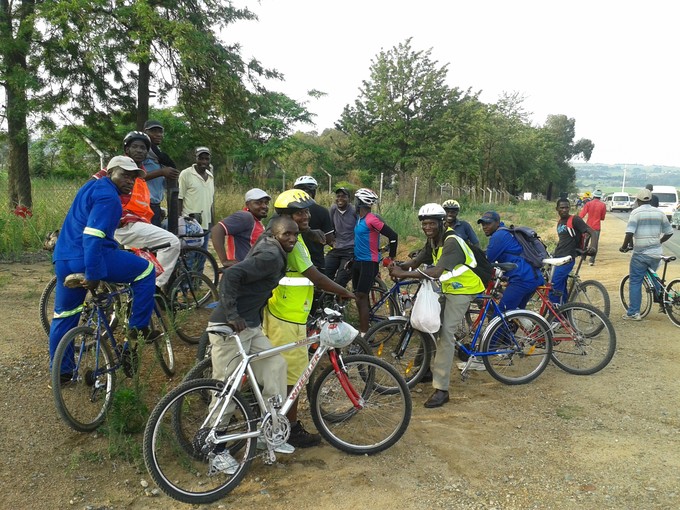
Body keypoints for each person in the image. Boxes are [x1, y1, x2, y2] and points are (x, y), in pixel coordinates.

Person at [49, 156, 157, 381]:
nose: (129, 181)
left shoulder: (90, 187)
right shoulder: (109, 197)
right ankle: (135, 335)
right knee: (146, 270)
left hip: (63, 258)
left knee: (65, 315)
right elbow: (92, 237)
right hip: (89, 256)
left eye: (133, 177)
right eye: (124, 175)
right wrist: (94, 273)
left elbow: (85, 220)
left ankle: (62, 373)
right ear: (110, 173)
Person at [206, 216, 300, 473]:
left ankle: (267, 433)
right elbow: (232, 274)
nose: (291, 239)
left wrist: (311, 232)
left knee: (275, 366)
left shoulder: (269, 240)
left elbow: (281, 228)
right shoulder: (271, 255)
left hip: (251, 327)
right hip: (229, 326)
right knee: (228, 388)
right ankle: (215, 448)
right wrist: (232, 313)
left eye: (295, 234)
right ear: (275, 234)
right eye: (287, 235)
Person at [263, 189, 355, 447]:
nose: (306, 216)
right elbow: (315, 276)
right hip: (286, 316)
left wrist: (310, 233)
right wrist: (343, 291)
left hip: (287, 312)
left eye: (306, 212)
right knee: (292, 377)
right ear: (285, 217)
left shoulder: (289, 235)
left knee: (281, 372)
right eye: (299, 213)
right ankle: (289, 429)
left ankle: (277, 420)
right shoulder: (292, 243)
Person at [389, 203, 485, 408]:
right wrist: (398, 266)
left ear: (442, 222)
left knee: (445, 335)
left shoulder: (452, 242)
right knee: (428, 325)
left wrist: (403, 274)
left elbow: (435, 272)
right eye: (425, 224)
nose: (428, 227)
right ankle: (425, 370)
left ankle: (442, 389)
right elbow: (415, 263)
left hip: (463, 289)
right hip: (448, 288)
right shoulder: (433, 240)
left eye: (432, 223)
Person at [92, 132, 181, 290]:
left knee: (139, 265)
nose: (139, 150)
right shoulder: (118, 168)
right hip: (125, 224)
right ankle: (154, 288)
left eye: (143, 148)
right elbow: (92, 185)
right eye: (135, 147)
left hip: (136, 223)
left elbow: (137, 201)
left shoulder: (139, 172)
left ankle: (130, 292)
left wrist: (158, 210)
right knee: (172, 243)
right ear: (126, 149)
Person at [620, 188, 673, 320]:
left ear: (637, 200)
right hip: (656, 253)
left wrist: (624, 246)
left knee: (635, 281)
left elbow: (629, 233)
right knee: (653, 277)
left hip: (641, 254)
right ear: (650, 199)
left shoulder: (636, 213)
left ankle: (633, 312)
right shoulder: (659, 213)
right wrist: (659, 241)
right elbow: (669, 232)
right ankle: (663, 299)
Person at [353, 188, 398, 336]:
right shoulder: (360, 218)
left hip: (369, 263)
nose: (354, 203)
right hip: (358, 261)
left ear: (360, 202)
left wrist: (391, 257)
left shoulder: (372, 219)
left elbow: (393, 236)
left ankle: (365, 334)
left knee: (361, 296)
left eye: (356, 200)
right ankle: (364, 328)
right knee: (359, 297)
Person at [478, 210, 544, 311]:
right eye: (483, 224)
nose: (484, 227)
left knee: (502, 315)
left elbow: (486, 261)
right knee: (515, 314)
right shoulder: (506, 233)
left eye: (488, 223)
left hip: (522, 279)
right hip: (532, 276)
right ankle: (528, 325)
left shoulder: (498, 236)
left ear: (497, 223)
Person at [550, 198, 597, 305]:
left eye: (567, 207)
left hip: (567, 259)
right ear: (557, 209)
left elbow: (592, 232)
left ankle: (554, 316)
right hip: (558, 258)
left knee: (553, 286)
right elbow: (564, 240)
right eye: (562, 208)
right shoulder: (560, 222)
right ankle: (564, 312)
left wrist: (593, 247)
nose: (565, 210)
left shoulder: (575, 219)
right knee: (561, 288)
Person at [211, 188, 271, 270]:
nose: (264, 206)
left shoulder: (257, 221)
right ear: (247, 205)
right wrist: (224, 260)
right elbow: (216, 230)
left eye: (266, 203)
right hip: (241, 273)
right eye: (258, 203)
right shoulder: (246, 217)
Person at [142, 119, 180, 226]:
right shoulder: (142, 151)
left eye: (160, 131)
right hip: (144, 205)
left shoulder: (158, 156)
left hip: (156, 205)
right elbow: (135, 177)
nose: (158, 134)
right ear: (145, 132)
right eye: (153, 131)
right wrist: (162, 172)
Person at [293, 176, 334, 272]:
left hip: (293, 262)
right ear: (313, 192)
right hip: (316, 262)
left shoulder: (288, 212)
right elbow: (329, 239)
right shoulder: (322, 211)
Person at [179, 146, 215, 252]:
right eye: (201, 158)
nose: (204, 161)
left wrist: (213, 223)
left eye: (206, 159)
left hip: (205, 224)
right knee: (190, 256)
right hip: (190, 224)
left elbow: (211, 202)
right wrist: (180, 220)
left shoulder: (210, 176)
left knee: (202, 256)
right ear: (196, 158)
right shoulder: (186, 174)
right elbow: (180, 198)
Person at [324, 187, 356, 287]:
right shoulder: (333, 209)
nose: (340, 199)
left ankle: (340, 300)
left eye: (343, 196)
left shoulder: (354, 211)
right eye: (338, 196)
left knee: (341, 279)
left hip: (350, 250)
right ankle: (327, 300)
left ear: (349, 199)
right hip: (337, 248)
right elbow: (330, 227)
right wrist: (332, 241)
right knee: (325, 273)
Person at [579, 190, 607, 266]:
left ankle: (583, 256)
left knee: (585, 242)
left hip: (588, 226)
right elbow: (602, 217)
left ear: (593, 196)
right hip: (596, 227)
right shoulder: (603, 205)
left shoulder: (588, 204)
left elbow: (581, 215)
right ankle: (591, 260)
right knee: (594, 244)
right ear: (600, 196)